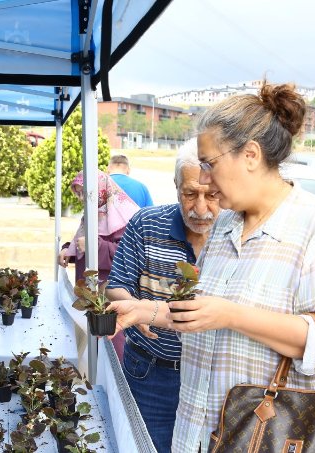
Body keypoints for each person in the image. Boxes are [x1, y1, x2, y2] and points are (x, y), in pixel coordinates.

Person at [108, 82, 315, 452]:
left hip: (259, 438)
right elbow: (203, 316)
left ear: (251, 155)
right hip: (195, 430)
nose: (204, 178)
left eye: (210, 164)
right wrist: (148, 310)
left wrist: (231, 315)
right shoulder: (226, 224)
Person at [105, 142, 219, 452]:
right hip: (150, 374)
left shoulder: (233, 238)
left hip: (213, 383)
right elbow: (116, 283)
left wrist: (145, 310)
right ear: (176, 187)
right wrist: (134, 309)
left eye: (211, 195)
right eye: (190, 194)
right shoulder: (146, 223)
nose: (200, 208)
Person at [57, 171, 140, 282]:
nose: (81, 199)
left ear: (100, 189)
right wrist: (68, 250)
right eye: (78, 193)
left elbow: (128, 255)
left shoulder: (126, 216)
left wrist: (93, 246)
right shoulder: (93, 214)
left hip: (111, 293)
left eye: (84, 193)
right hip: (89, 290)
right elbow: (82, 242)